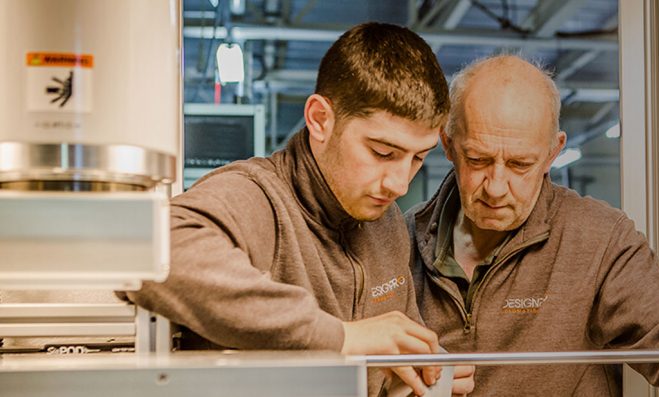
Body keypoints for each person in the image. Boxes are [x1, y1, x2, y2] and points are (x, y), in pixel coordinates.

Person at [121, 22, 470, 396]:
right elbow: (153, 250)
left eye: (417, 158)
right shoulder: (258, 196)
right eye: (382, 153)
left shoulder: (386, 225)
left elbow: (388, 361)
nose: (399, 184)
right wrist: (337, 337)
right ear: (321, 119)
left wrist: (423, 375)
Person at [406, 54, 659, 395]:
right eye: (478, 159)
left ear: (554, 151)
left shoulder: (599, 238)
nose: (497, 187)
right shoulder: (401, 240)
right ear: (449, 145)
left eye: (521, 165)